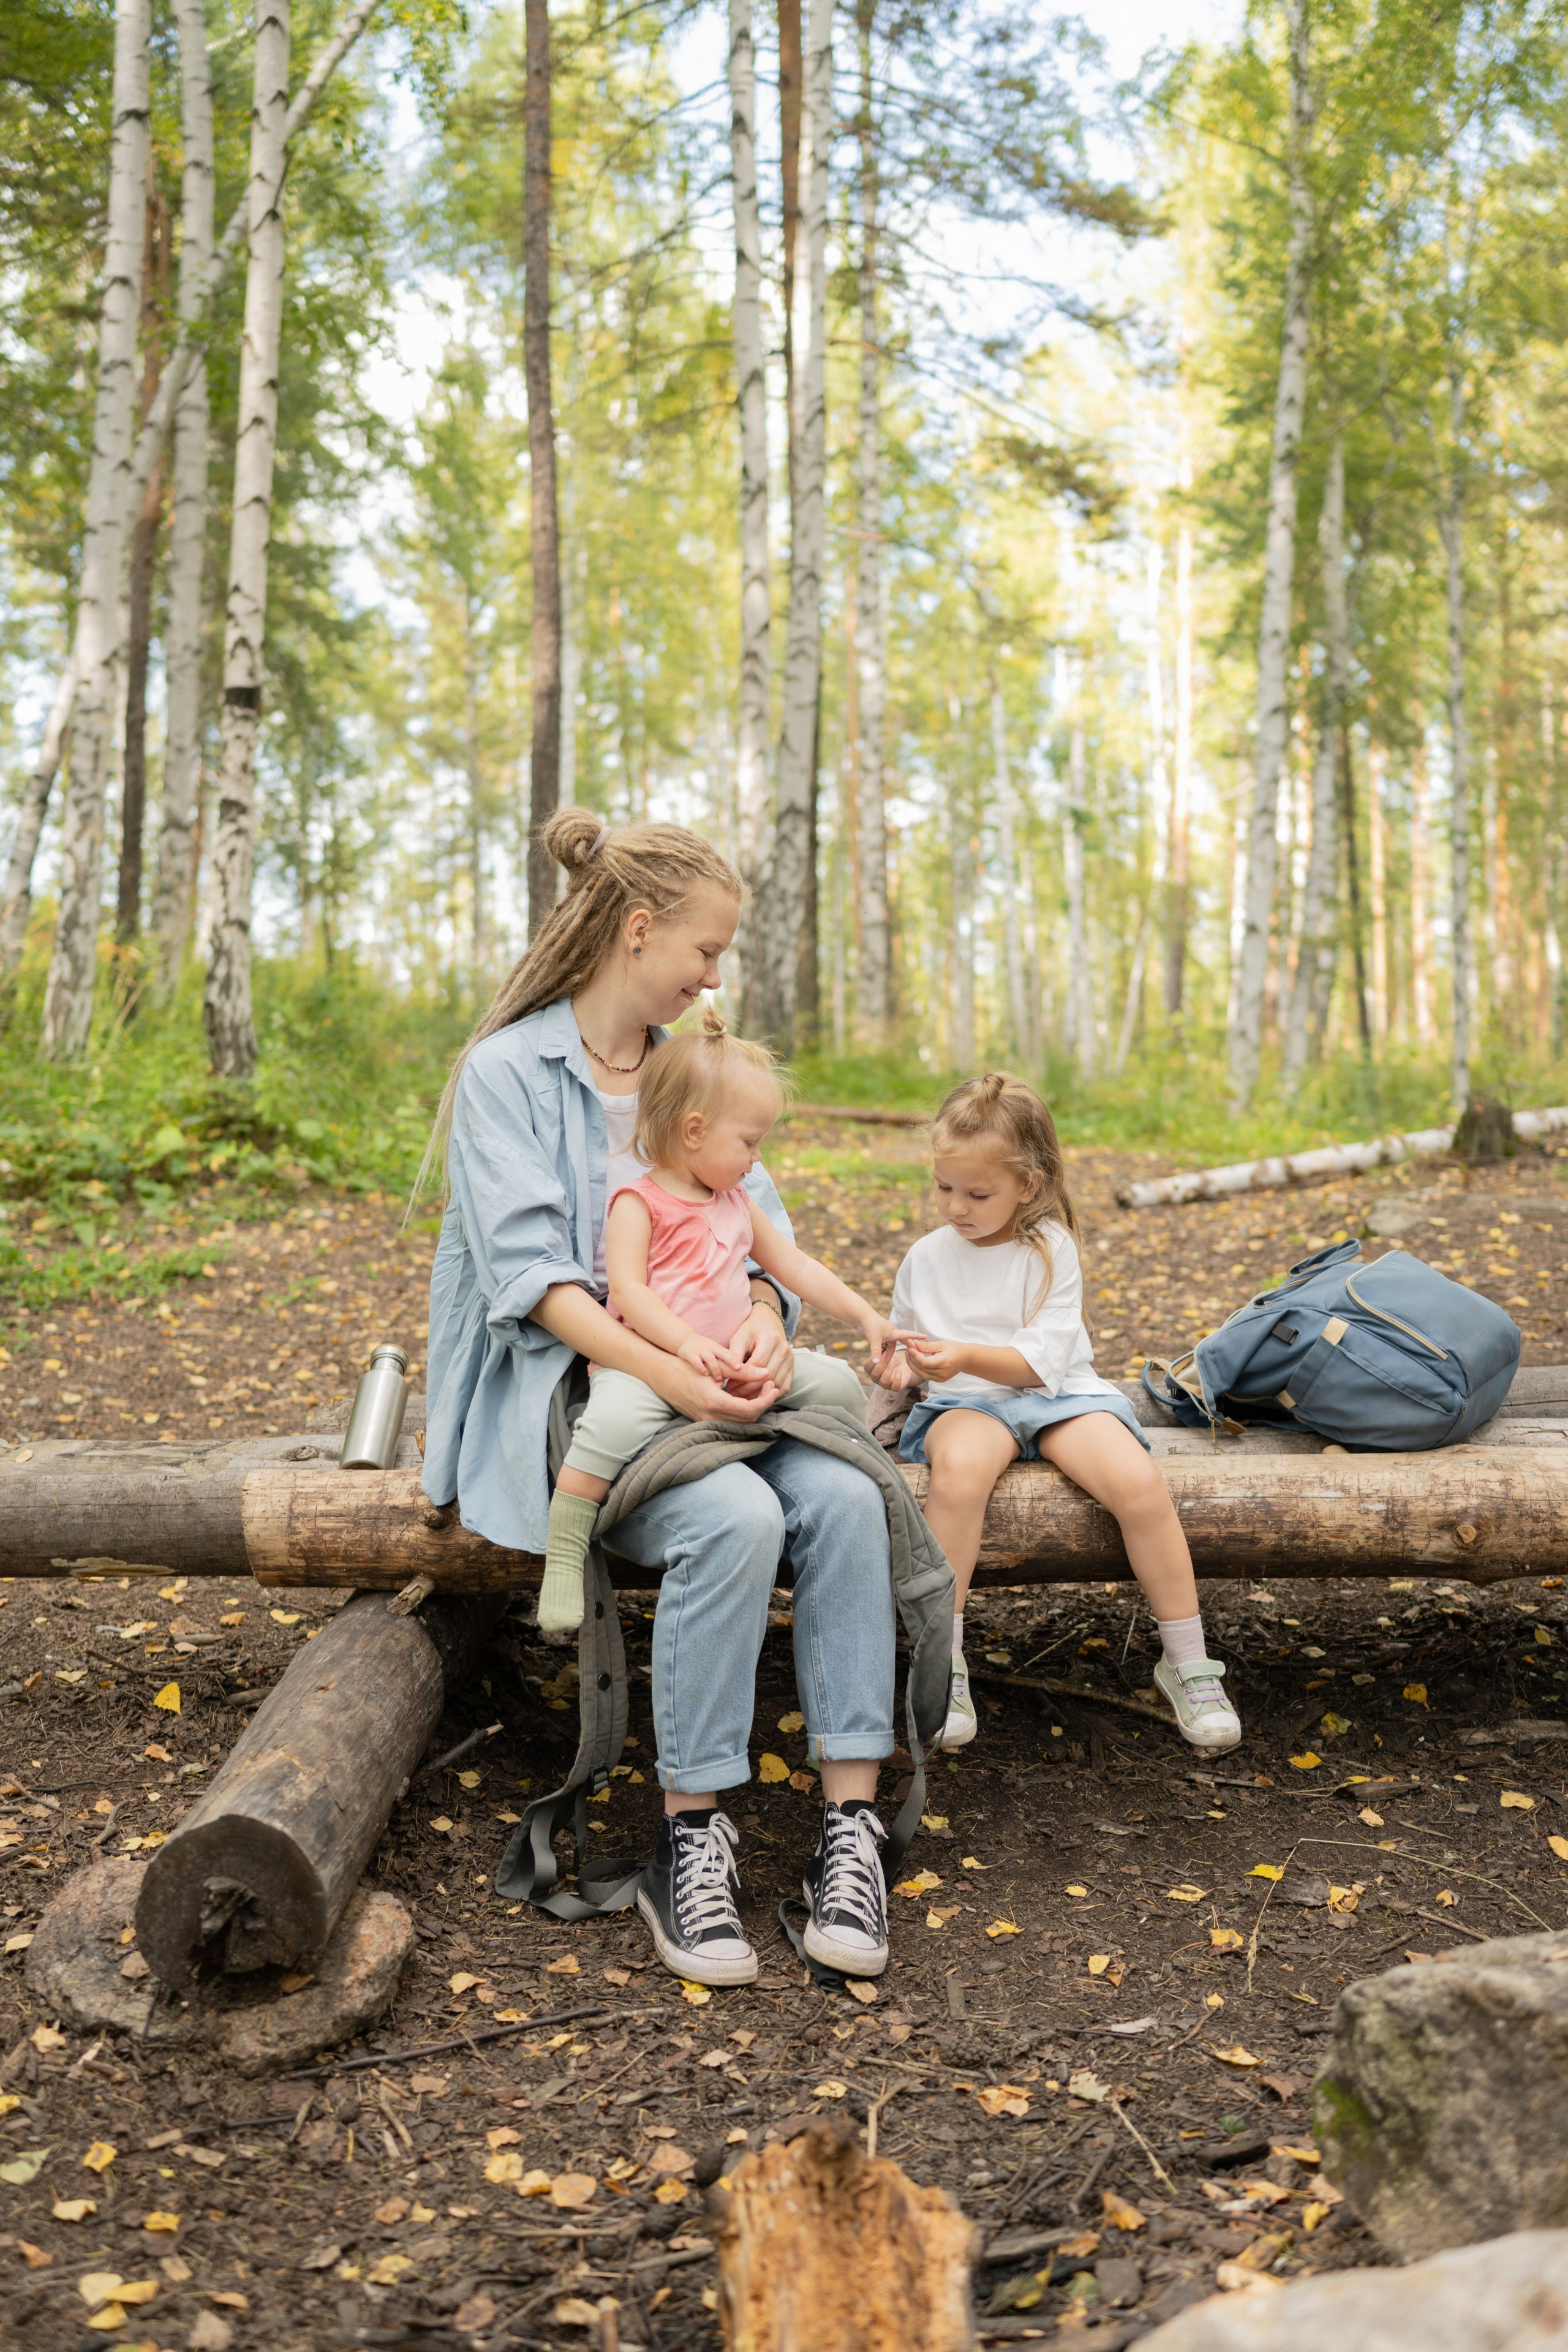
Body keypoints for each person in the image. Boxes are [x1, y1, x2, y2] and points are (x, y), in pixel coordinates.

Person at [419, 808, 902, 1988]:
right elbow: (539, 1288)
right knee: (734, 1521)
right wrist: (674, 1368)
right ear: (640, 931)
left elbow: (760, 1243)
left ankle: (852, 1829)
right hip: (585, 1397)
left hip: (717, 1385)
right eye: (707, 951)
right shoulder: (508, 1075)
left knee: (843, 1501)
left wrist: (760, 1333)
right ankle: (692, 1836)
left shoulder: (693, 1072)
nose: (715, 975)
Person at [878, 1071, 1242, 1757]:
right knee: (958, 1474)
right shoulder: (924, 1259)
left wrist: (959, 1353)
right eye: (943, 1186)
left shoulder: (1049, 1250)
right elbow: (907, 1346)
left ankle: (1188, 1663)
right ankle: (941, 1665)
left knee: (1137, 1483)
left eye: (977, 1193)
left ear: (1030, 1185)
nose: (955, 1206)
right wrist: (900, 1366)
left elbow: (1039, 1364)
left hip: (1056, 1395)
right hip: (966, 1404)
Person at [537, 1008, 902, 1637]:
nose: (758, 1159)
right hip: (652, 1366)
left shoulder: (736, 1201)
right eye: (750, 1142)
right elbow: (626, 1292)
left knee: (840, 1385)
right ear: (695, 1130)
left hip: (734, 1361)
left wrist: (865, 1313)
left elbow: (793, 1266)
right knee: (605, 1429)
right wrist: (684, 1346)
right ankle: (565, 1551)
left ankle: (835, 1478)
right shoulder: (638, 1204)